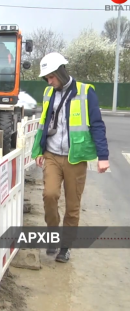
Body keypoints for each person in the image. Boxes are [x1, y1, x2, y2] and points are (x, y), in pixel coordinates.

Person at [30, 52, 109, 263]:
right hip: (52, 155)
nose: (49, 81)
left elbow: (97, 125)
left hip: (75, 157)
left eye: (51, 77)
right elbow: (43, 124)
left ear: (61, 72)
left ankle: (66, 246)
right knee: (49, 195)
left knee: (73, 205)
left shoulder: (85, 92)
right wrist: (38, 150)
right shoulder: (49, 93)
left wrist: (103, 156)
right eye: (46, 78)